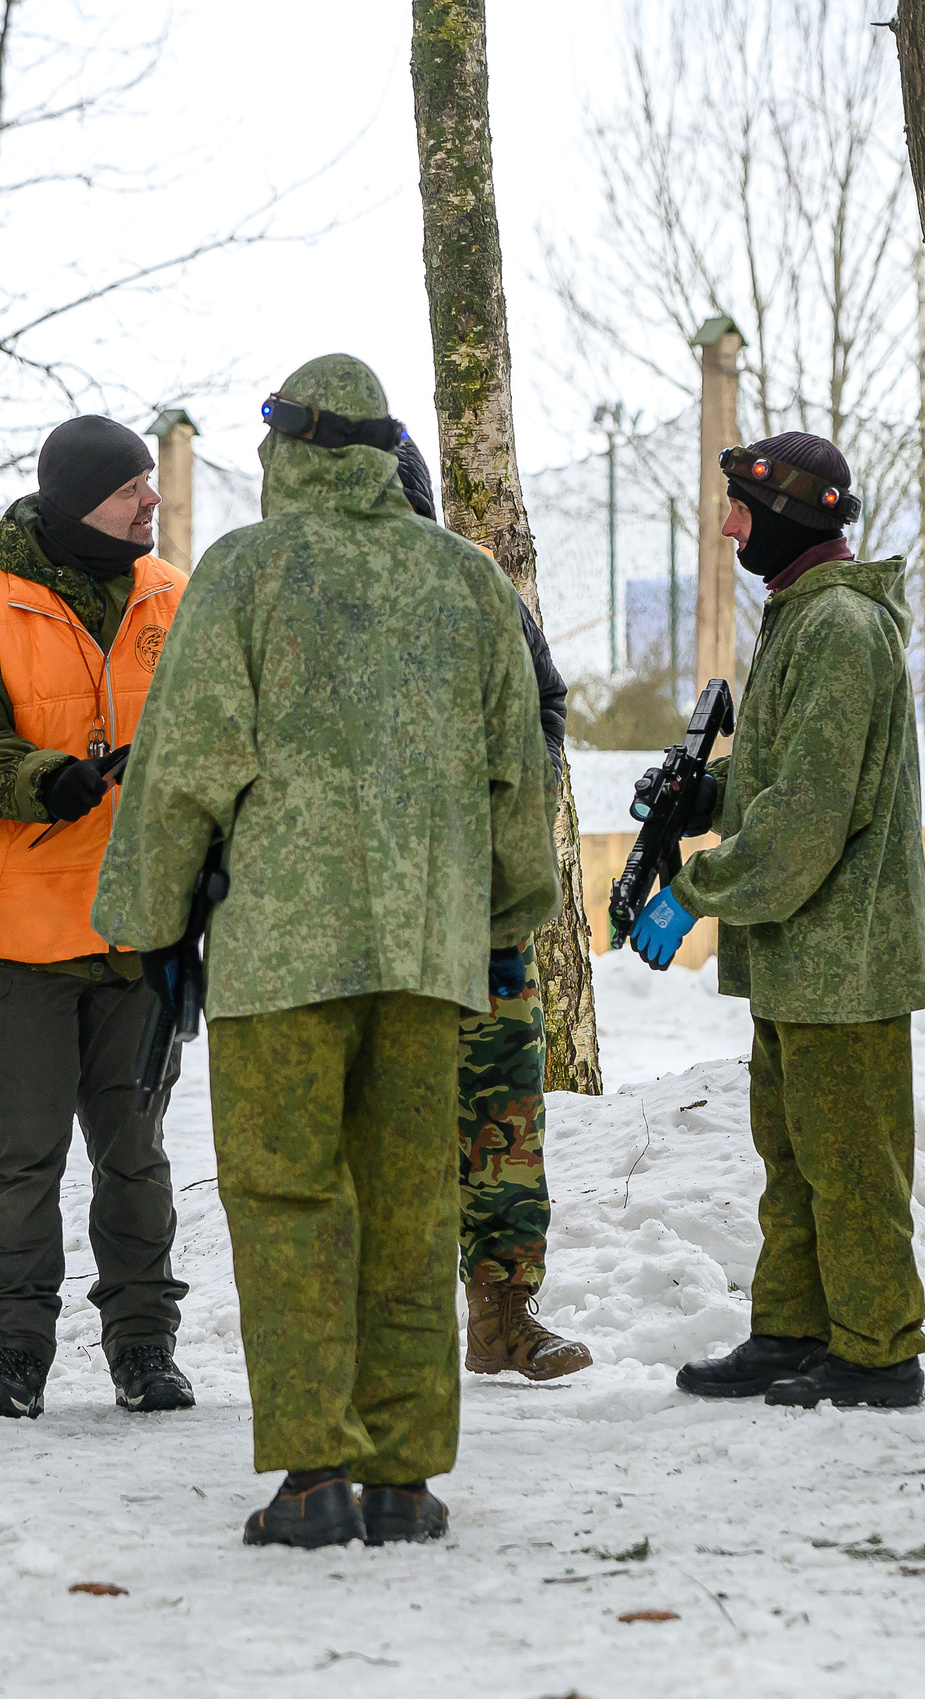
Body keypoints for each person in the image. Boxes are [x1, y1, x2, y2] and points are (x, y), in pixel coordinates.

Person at [95, 355, 558, 1549]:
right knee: (411, 1202)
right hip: (425, 955)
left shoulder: (248, 571)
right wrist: (507, 923)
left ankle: (313, 1475)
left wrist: (141, 925)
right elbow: (521, 770)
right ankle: (404, 1476)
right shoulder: (465, 580)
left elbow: (185, 760)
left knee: (289, 1197)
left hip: (279, 958)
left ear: (289, 451)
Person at [630, 431, 925, 1412]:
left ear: (792, 516)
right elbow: (785, 773)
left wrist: (695, 891)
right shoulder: (803, 622)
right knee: (795, 1159)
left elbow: (807, 816)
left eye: (742, 510)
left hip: (843, 958)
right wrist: (701, 795)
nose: (728, 526)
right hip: (803, 961)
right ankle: (793, 1332)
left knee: (850, 1166)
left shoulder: (841, 629)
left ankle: (878, 1350)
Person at [0, 415, 194, 1420]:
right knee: (20, 1156)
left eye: (151, 484)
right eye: (131, 488)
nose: (150, 503)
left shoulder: (173, 596)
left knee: (135, 1154)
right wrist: (49, 781)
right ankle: (16, 1351)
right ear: (81, 500)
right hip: (17, 940)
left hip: (139, 930)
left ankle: (144, 1348)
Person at [389, 433, 590, 1382]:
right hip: (367, 918)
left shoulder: (474, 585)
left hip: (485, 906)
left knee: (504, 1113)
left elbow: (547, 703)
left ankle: (505, 1317)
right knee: (385, 1120)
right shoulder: (295, 593)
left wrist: (516, 799)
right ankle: (392, 1326)